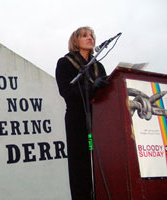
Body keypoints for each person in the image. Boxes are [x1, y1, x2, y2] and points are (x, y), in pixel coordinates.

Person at [55, 26, 108, 199]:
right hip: (77, 121)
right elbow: (66, 92)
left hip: (99, 120)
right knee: (80, 169)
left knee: (102, 165)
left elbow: (107, 94)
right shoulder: (65, 63)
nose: (90, 37)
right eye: (85, 35)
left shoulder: (98, 66)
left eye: (92, 35)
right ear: (75, 41)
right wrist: (90, 87)